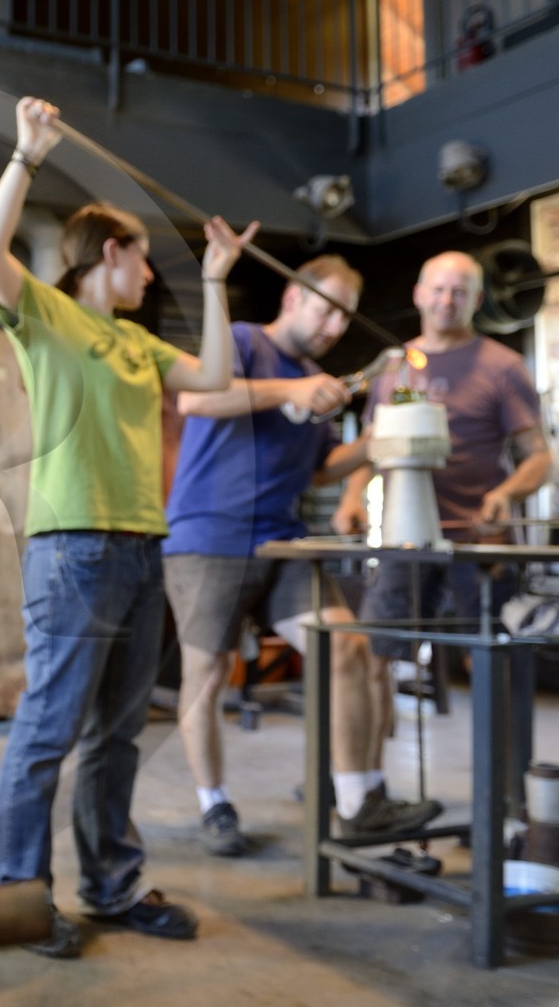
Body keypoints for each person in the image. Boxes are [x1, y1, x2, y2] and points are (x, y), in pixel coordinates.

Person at [0, 95, 255, 958]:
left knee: (117, 734)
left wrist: (213, 280)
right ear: (113, 252)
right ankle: (16, 897)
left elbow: (211, 373)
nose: (151, 275)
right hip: (74, 551)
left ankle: (110, 884)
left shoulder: (137, 345)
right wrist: (27, 155)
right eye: (145, 260)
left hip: (140, 547)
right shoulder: (49, 317)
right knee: (49, 727)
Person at [164, 255, 444, 857]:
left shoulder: (318, 376)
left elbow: (318, 472)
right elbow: (196, 402)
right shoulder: (242, 342)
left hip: (284, 538)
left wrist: (381, 436)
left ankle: (357, 802)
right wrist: (290, 389)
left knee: (346, 644)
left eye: (344, 319)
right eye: (326, 310)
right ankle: (215, 804)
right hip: (209, 536)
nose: (333, 328)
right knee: (206, 677)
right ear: (294, 298)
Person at [332, 250, 551, 813]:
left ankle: (507, 800)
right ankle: (369, 793)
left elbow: (538, 457)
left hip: (479, 545)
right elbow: (377, 444)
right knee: (372, 653)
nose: (446, 300)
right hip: (407, 539)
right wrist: (354, 493)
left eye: (460, 291)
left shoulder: (502, 366)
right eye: (438, 289)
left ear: (476, 300)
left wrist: (505, 495)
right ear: (418, 293)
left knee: (491, 665)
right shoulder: (393, 368)